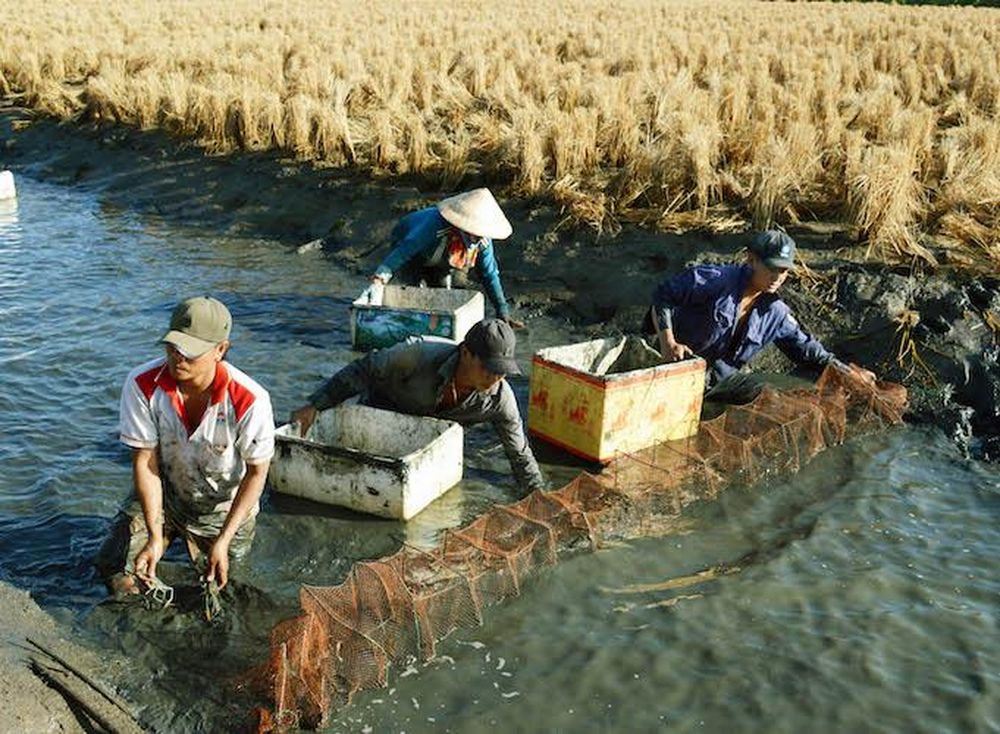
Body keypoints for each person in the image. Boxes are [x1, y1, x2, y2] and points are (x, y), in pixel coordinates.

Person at [98, 297, 275, 598]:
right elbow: (145, 463)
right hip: (165, 496)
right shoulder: (142, 384)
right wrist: (155, 537)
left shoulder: (250, 400)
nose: (177, 357)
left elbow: (257, 474)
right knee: (117, 573)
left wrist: (223, 540)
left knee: (225, 592)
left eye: (190, 351)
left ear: (221, 349)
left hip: (222, 508)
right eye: (172, 346)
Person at [291, 319, 545, 495]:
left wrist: (537, 492)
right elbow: (363, 369)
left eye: (502, 372)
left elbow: (520, 454)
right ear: (466, 353)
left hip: (427, 438)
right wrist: (316, 405)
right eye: (489, 368)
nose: (495, 378)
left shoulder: (501, 398)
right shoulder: (416, 354)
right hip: (384, 411)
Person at [647, 230, 876, 405]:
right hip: (670, 367)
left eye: (784, 271)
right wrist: (669, 343)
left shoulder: (776, 313)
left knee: (767, 397)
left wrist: (850, 375)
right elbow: (663, 295)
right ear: (752, 260)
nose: (777, 277)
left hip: (714, 383)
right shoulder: (715, 280)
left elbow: (811, 353)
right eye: (772, 267)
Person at [370, 188, 525, 328]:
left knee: (444, 296)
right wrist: (380, 278)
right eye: (473, 234)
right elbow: (403, 252)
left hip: (446, 258)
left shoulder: (483, 241)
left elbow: (489, 274)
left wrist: (502, 311)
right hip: (413, 251)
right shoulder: (435, 226)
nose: (476, 238)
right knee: (413, 295)